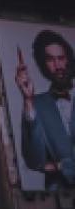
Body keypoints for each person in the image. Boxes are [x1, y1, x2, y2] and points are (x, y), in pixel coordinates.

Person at [16, 31, 75, 189]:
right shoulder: (37, 104)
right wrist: (28, 100)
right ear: (43, 65)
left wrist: (60, 166)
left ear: (69, 58)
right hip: (61, 198)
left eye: (61, 58)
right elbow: (34, 160)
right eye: (50, 59)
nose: (57, 66)